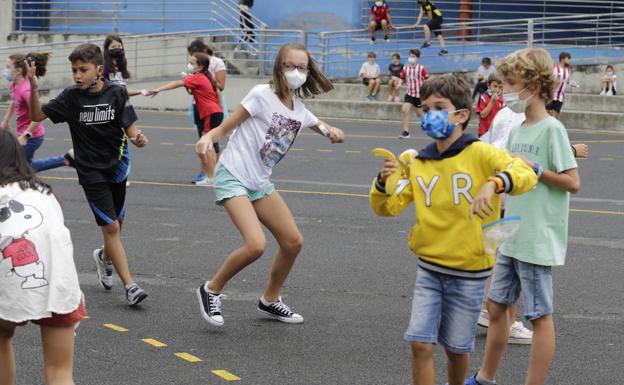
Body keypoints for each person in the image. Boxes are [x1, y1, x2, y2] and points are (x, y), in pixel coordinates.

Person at [369, 74, 537, 385]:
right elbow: (386, 207)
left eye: (438, 107)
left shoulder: (481, 153)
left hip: (470, 272)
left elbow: (524, 173)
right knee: (420, 343)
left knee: (457, 350)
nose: (428, 114)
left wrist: (494, 183)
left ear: (461, 115)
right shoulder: (418, 161)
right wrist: (382, 183)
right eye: (424, 108)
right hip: (429, 268)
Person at [194, 43, 345, 327]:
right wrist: (207, 138)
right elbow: (229, 124)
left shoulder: (299, 109)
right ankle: (211, 289)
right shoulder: (262, 95)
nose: (296, 72)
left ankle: (270, 300)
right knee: (256, 245)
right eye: (290, 66)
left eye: (302, 67)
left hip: (259, 182)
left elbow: (319, 124)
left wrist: (332, 132)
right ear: (279, 66)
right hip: (234, 175)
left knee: (293, 242)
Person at [467, 48, 580, 385]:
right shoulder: (517, 128)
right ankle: (485, 377)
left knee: (539, 316)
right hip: (512, 234)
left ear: (533, 84)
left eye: (512, 83)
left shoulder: (551, 130)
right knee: (497, 306)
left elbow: (572, 182)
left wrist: (535, 168)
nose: (507, 91)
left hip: (536, 237)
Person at [26, 43, 150, 307]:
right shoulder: (71, 97)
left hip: (117, 167)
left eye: (83, 69)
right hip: (90, 172)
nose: (77, 75)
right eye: (74, 70)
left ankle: (104, 258)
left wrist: (137, 138)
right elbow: (36, 114)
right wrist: (34, 88)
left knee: (116, 225)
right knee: (111, 227)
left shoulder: (117, 92)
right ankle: (130, 286)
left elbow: (129, 127)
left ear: (99, 70)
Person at [0, 129, 86, 385]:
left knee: (2, 334)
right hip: (57, 279)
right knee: (59, 370)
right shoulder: (43, 192)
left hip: (11, 276)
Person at [148, 53, 223, 186]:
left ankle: (212, 178)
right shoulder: (202, 77)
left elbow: (177, 84)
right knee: (207, 145)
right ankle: (211, 177)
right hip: (213, 113)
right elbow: (195, 91)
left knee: (206, 145)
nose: (189, 65)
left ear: (200, 67)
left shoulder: (198, 77)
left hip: (210, 113)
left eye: (192, 63)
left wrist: (158, 89)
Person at [2, 53, 73, 173]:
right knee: (24, 166)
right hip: (23, 133)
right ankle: (67, 160)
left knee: (17, 167)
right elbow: (14, 101)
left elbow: (39, 116)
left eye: (8, 67)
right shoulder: (14, 85)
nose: (5, 70)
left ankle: (65, 160)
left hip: (32, 136)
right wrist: (6, 120)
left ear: (18, 71)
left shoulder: (26, 90)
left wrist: (26, 135)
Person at [187, 39, 229, 185]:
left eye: (194, 56)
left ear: (203, 52)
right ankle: (205, 172)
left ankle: (213, 174)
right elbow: (190, 88)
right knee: (202, 138)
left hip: (212, 104)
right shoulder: (196, 66)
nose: (191, 60)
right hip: (198, 104)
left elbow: (221, 86)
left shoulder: (217, 63)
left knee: (210, 140)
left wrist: (203, 78)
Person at [399, 49, 429, 139]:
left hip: (419, 95)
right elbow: (402, 77)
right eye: (410, 56)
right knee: (404, 110)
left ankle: (428, 123)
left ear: (417, 58)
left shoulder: (421, 68)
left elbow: (427, 79)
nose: (411, 58)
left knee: (420, 114)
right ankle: (406, 132)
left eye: (413, 57)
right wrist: (399, 83)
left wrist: (426, 90)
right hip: (409, 93)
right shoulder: (405, 68)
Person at [546, 51, 578, 118]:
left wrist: (573, 83)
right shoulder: (555, 68)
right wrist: (553, 81)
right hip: (551, 95)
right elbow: (548, 79)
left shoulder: (568, 70)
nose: (569, 60)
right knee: (547, 114)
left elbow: (567, 81)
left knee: (554, 116)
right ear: (562, 59)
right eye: (568, 59)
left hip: (560, 96)